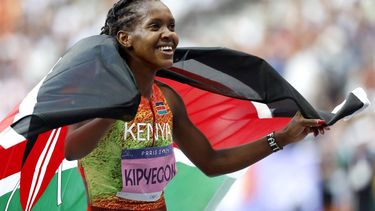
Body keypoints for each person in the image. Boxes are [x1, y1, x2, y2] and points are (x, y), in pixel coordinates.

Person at [64, 0, 329, 210]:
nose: (169, 35)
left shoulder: (167, 100)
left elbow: (212, 161)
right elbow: (72, 149)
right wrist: (114, 112)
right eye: (155, 26)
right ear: (125, 38)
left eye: (171, 26)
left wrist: (280, 138)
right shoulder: (96, 91)